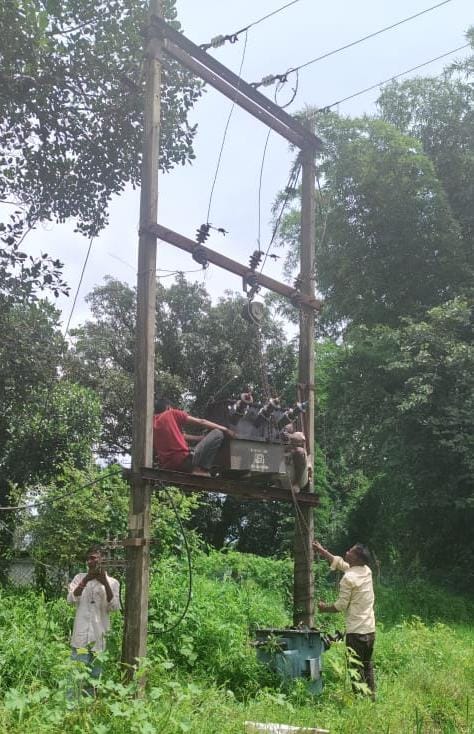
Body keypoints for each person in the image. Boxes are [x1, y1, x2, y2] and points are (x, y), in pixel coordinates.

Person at [313, 539, 376, 698]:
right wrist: (322, 551)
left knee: (355, 668)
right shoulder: (366, 571)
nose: (347, 552)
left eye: (351, 551)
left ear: (358, 559)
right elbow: (342, 564)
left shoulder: (348, 578)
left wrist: (324, 608)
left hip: (356, 633)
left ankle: (360, 700)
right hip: (370, 630)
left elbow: (340, 606)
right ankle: (371, 697)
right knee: (367, 666)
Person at [67, 547, 120, 695]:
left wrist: (105, 583)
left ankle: (90, 703)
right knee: (76, 674)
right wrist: (86, 580)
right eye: (88, 558)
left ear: (103, 560)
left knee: (95, 676)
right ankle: (72, 704)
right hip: (81, 639)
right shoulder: (79, 577)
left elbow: (114, 607)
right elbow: (71, 599)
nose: (90, 561)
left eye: (94, 558)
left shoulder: (113, 582)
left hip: (99, 639)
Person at [153, 397, 235, 477]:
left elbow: (183, 436)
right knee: (218, 433)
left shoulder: (152, 422)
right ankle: (202, 469)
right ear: (168, 407)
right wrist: (226, 430)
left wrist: (200, 438)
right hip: (184, 461)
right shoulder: (171, 413)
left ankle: (198, 468)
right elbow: (201, 422)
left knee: (191, 449)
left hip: (168, 467)